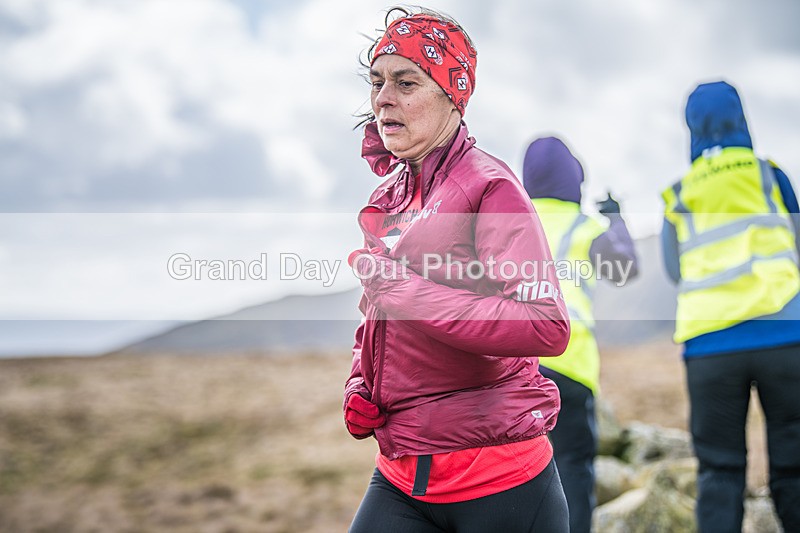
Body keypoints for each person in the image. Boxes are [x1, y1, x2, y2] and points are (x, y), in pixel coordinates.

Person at [344, 7, 572, 532]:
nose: (383, 99)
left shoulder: (490, 186)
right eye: (377, 83)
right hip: (402, 475)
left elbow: (544, 323)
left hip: (499, 480)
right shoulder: (390, 198)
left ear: (453, 93)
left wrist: (410, 294)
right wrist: (360, 382)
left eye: (406, 82)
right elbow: (378, 317)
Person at [661, 80, 800, 533]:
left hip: (710, 348)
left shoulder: (678, 195)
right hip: (785, 337)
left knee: (719, 472)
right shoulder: (768, 174)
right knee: (795, 466)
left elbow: (674, 268)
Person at [522, 136, 639, 532]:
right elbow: (626, 266)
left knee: (511, 471)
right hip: (570, 361)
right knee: (573, 466)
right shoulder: (582, 226)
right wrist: (616, 218)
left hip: (512, 362)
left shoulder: (510, 219)